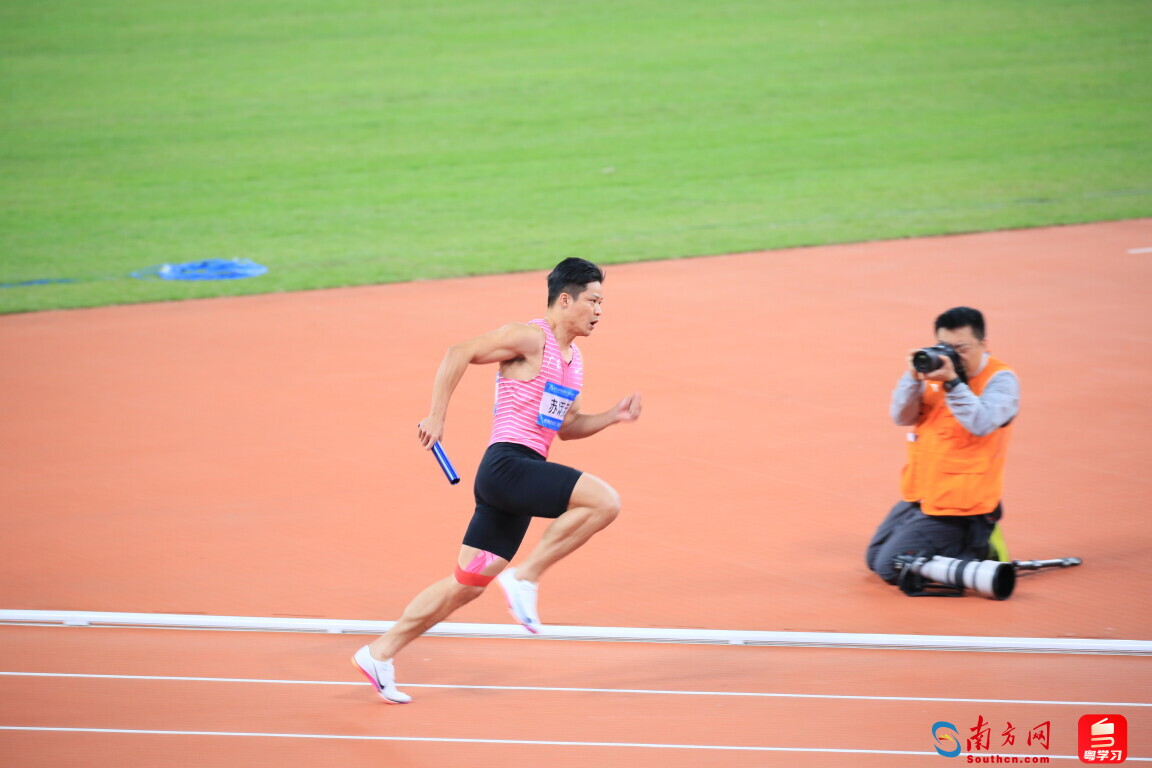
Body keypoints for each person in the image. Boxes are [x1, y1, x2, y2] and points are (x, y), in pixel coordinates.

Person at [352, 257, 642, 703]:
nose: (600, 311)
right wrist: (436, 414)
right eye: (593, 301)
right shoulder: (530, 337)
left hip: (518, 481)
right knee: (605, 502)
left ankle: (380, 652)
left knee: (466, 584)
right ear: (565, 300)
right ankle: (526, 577)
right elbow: (459, 352)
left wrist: (612, 417)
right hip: (507, 466)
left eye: (603, 302)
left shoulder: (573, 360)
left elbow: (567, 426)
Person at [865, 306, 1020, 586]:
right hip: (923, 495)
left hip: (963, 508)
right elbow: (901, 416)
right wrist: (912, 378)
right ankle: (956, 550)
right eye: (944, 346)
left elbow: (981, 422)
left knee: (891, 567)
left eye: (960, 348)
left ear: (983, 345)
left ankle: (978, 549)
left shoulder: (1001, 381)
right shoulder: (935, 374)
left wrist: (953, 382)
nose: (951, 355)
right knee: (874, 558)